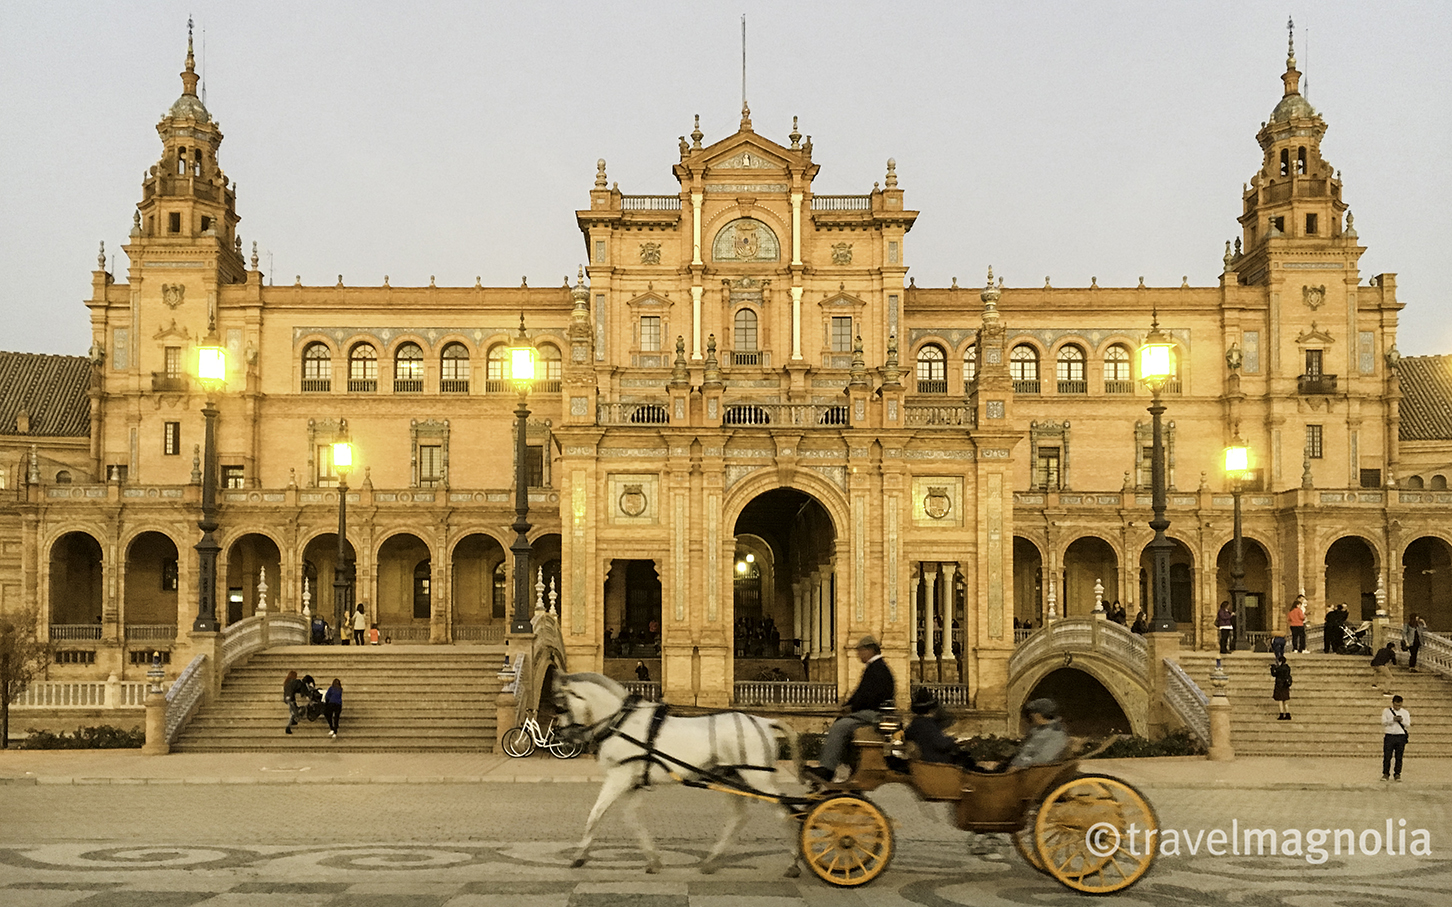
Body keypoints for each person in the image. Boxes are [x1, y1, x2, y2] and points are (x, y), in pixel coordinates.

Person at [809, 635, 895, 784]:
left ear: (869, 650)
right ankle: (848, 765)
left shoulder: (878, 669)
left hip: (875, 714)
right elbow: (861, 694)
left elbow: (870, 696)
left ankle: (827, 769)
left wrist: (852, 708)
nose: (858, 654)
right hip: (870, 711)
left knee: (840, 727)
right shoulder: (875, 667)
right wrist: (847, 707)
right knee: (841, 723)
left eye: (860, 651)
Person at [904, 688, 975, 769]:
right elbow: (941, 744)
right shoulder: (928, 724)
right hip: (936, 762)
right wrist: (952, 740)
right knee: (967, 761)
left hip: (924, 761)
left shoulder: (914, 724)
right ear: (931, 709)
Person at [1010, 698, 1070, 768]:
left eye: (1031, 715)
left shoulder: (1056, 733)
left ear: (1038, 715)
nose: (1030, 718)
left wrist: (1019, 766)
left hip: (1031, 771)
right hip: (1018, 768)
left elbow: (1044, 758)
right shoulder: (1036, 730)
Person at [1382, 695, 1410, 781]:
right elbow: (1383, 722)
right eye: (1396, 705)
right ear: (1392, 703)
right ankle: (1385, 773)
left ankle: (1397, 774)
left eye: (1399, 705)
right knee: (1387, 756)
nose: (1397, 707)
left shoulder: (1405, 712)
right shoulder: (1387, 711)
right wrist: (1392, 720)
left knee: (1399, 756)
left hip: (1400, 736)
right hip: (1389, 735)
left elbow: (1408, 724)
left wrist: (1401, 720)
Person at [282, 670, 305, 735]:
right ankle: (288, 727)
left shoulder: (286, 683)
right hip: (291, 699)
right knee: (293, 713)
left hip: (287, 699)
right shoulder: (294, 682)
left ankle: (294, 720)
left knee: (293, 711)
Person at [1270, 653, 1292, 720]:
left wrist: (1272, 668)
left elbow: (1274, 674)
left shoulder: (1279, 669)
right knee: (1285, 700)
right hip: (1286, 685)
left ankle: (1281, 713)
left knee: (1280, 700)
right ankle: (1287, 713)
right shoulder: (1288, 668)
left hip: (1279, 685)